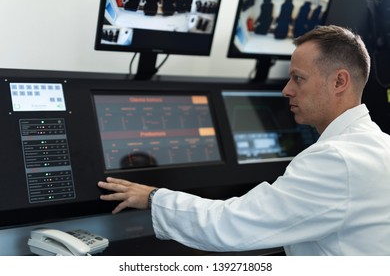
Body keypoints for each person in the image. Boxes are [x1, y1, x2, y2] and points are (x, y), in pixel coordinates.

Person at [97, 25, 390, 256]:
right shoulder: (379, 145)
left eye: (298, 78)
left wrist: (152, 197)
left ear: (339, 81)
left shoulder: (335, 159)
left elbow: (231, 226)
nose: (286, 90)